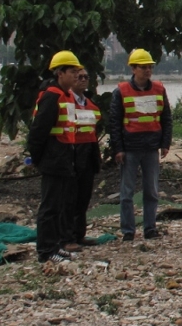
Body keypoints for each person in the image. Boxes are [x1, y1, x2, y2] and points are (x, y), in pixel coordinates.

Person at [108, 49, 172, 242]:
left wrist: (165, 143)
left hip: (151, 147)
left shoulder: (159, 89)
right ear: (133, 69)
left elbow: (166, 118)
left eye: (149, 67)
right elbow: (115, 122)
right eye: (143, 67)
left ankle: (150, 228)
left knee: (151, 191)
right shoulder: (121, 91)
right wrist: (117, 149)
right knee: (127, 192)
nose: (147, 71)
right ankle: (128, 230)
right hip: (130, 148)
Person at [27, 51, 85, 263]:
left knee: (60, 205)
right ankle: (45, 251)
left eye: (77, 72)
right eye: (72, 72)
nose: (76, 76)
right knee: (50, 207)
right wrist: (38, 159)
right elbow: (38, 131)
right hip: (53, 158)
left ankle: (55, 245)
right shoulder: (52, 95)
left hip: (64, 156)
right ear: (60, 73)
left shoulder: (67, 95)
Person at [61, 68, 102, 251]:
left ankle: (79, 234)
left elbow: (93, 131)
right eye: (79, 77)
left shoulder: (90, 105)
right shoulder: (66, 102)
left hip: (88, 153)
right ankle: (67, 237)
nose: (83, 80)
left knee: (84, 197)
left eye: (86, 77)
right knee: (69, 198)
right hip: (72, 153)